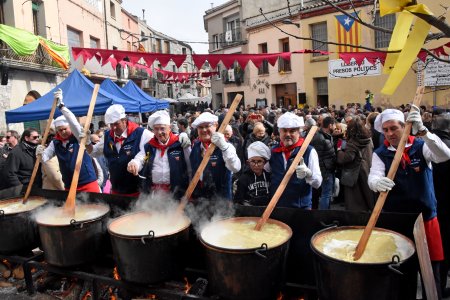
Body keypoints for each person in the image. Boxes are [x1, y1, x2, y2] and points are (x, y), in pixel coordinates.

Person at [368, 107, 450, 298]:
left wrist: (425, 132)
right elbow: (373, 177)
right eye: (386, 130)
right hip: (397, 221)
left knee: (431, 272)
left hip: (425, 219)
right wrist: (376, 183)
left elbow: (444, 155)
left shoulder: (421, 146)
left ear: (405, 127)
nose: (389, 134)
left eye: (394, 128)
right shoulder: (380, 153)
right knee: (403, 273)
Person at [37, 90, 100, 193]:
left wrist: (62, 107)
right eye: (60, 130)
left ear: (69, 127)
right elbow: (44, 158)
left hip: (87, 182)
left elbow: (74, 123)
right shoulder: (55, 143)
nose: (63, 132)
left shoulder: (78, 137)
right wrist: (39, 154)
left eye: (65, 129)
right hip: (69, 185)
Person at [87, 104, 153, 196]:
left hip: (139, 192)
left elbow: (148, 154)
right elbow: (93, 152)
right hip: (116, 190)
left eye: (116, 124)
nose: (113, 128)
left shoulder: (143, 134)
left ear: (124, 120)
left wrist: (137, 163)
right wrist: (86, 142)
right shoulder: (107, 136)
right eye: (111, 124)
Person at [127, 110, 191, 199]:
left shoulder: (180, 144)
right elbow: (141, 158)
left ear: (170, 127)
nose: (159, 132)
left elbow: (190, 166)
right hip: (155, 195)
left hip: (176, 193)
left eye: (162, 128)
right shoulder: (149, 146)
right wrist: (134, 164)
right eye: (156, 129)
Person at [270, 112, 322, 209]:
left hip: (301, 208)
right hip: (277, 207)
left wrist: (308, 174)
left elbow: (318, 183)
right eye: (284, 131)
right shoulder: (274, 151)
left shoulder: (309, 151)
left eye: (292, 131)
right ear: (279, 132)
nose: (288, 134)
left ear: (299, 132)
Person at [190, 112, 241, 201]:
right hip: (200, 201)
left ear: (216, 126)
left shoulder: (226, 146)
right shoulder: (196, 146)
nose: (204, 130)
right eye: (201, 127)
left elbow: (236, 168)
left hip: (221, 202)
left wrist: (224, 147)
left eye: (207, 126)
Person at [336, 117, 375, 211]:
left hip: (354, 173)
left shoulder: (353, 142)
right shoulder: (368, 139)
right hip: (366, 169)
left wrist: (339, 151)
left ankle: (358, 222)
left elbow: (348, 157)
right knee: (368, 195)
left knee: (356, 200)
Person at [310, 116, 337, 210]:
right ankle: (323, 216)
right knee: (326, 195)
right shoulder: (319, 138)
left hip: (329, 169)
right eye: (334, 125)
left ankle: (327, 214)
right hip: (326, 172)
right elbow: (318, 158)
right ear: (330, 125)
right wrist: (324, 174)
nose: (335, 127)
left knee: (328, 194)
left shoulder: (326, 136)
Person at [234, 141, 271, 206]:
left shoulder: (269, 177)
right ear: (248, 162)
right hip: (249, 212)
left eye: (259, 161)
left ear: (265, 162)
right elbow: (238, 201)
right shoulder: (243, 179)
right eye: (253, 161)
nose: (256, 165)